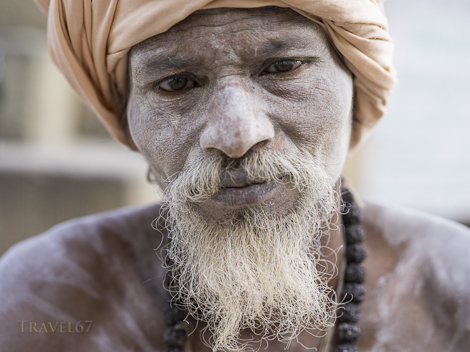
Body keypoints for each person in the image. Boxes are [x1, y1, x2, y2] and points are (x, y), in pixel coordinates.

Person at [0, 1, 469, 352]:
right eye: (176, 83)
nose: (238, 135)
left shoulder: (455, 297)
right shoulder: (40, 299)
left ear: (357, 85)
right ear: (124, 123)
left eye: (282, 67)